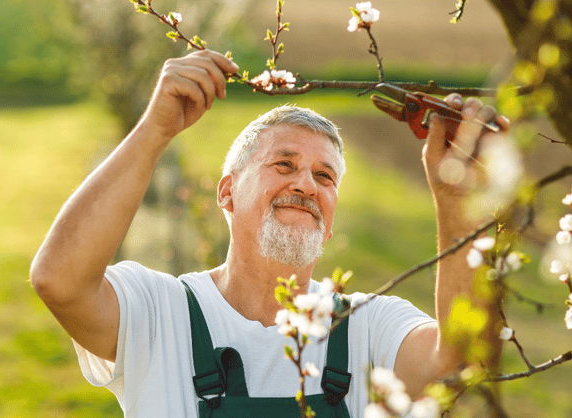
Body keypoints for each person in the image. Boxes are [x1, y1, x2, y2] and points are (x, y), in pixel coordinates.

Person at [30, 50, 509, 417]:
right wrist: (155, 129)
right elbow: (59, 280)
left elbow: (460, 365)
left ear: (331, 214)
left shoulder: (366, 326)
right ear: (227, 193)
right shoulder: (160, 312)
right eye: (284, 164)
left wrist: (459, 202)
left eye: (325, 178)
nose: (305, 183)